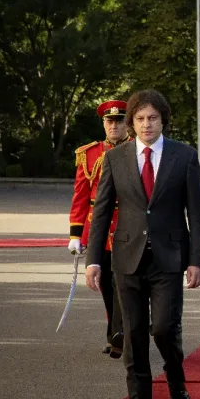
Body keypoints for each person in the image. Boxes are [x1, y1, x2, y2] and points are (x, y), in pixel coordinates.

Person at [85, 89, 200, 399]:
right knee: (133, 335)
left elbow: (197, 214)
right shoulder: (115, 158)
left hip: (169, 258)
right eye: (139, 119)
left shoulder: (184, 157)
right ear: (131, 123)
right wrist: (94, 259)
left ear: (162, 120)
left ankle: (176, 379)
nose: (146, 124)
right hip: (126, 259)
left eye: (152, 118)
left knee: (164, 329)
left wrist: (197, 260)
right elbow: (102, 212)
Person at [68, 99, 129, 358]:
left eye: (119, 121)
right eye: (109, 121)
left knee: (122, 282)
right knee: (105, 283)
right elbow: (80, 196)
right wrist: (75, 235)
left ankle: (120, 334)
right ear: (103, 123)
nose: (114, 126)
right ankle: (114, 332)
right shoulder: (89, 153)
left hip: (127, 227)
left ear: (128, 123)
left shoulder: (137, 150)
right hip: (99, 230)